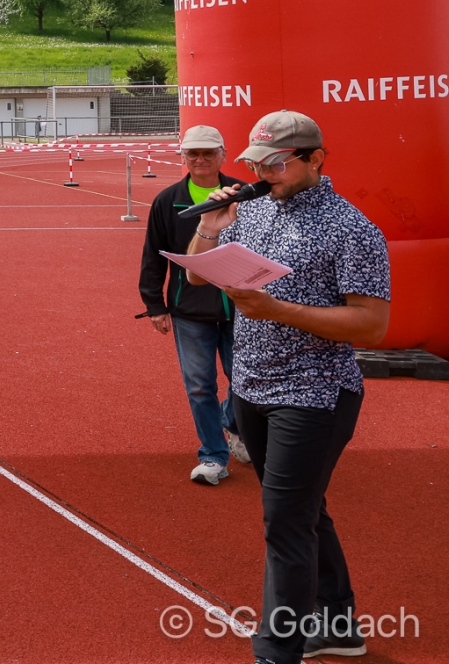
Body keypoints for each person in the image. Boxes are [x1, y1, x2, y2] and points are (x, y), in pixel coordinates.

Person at [186, 110, 390, 664]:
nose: (263, 174)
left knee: (285, 522)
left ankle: (277, 651)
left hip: (315, 394)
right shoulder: (249, 209)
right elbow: (198, 274)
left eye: (275, 164)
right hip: (251, 387)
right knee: (304, 511)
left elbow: (372, 324)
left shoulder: (352, 229)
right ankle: (339, 625)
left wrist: (277, 309)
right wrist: (213, 225)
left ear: (315, 159)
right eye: (256, 164)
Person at [138, 125, 253, 484]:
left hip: (241, 307)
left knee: (245, 380)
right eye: (193, 153)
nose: (200, 159)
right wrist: (155, 304)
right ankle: (213, 456)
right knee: (200, 386)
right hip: (189, 309)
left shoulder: (245, 195)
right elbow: (153, 255)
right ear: (183, 156)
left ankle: (232, 423)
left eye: (208, 152)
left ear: (222, 154)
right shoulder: (167, 200)